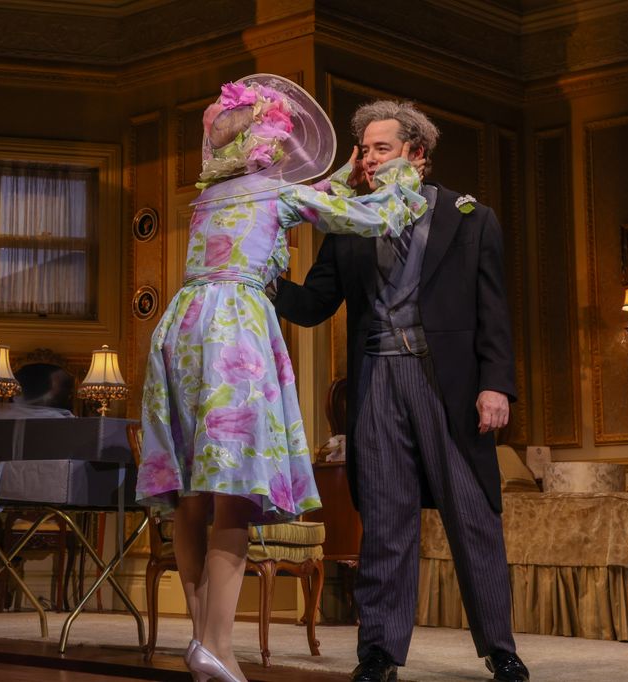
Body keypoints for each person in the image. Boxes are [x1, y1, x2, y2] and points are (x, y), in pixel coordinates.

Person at [136, 76, 425, 682]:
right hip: (232, 328)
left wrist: (339, 178)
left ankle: (202, 643)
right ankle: (219, 646)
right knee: (232, 491)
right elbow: (369, 220)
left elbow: (310, 197)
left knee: (193, 492)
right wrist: (399, 179)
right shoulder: (272, 193)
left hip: (182, 323)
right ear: (270, 141)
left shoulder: (213, 196)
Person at [272, 100, 530, 682]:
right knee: (385, 519)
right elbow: (314, 306)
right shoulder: (348, 224)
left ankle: (501, 649)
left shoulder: (471, 218)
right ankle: (380, 653)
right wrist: (258, 276)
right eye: (362, 149)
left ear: (418, 154)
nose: (366, 159)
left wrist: (496, 386)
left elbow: (494, 314)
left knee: (473, 518)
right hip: (377, 381)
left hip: (449, 384)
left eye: (379, 148)